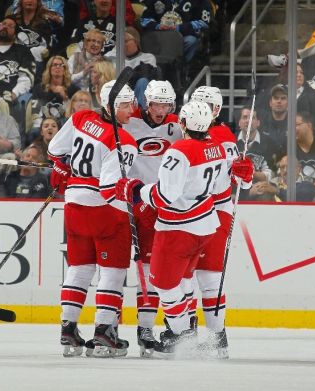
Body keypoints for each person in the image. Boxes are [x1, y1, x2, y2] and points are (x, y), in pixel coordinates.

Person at [115, 101, 231, 358]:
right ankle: (196, 333)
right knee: (184, 279)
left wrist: (135, 190)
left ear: (184, 124)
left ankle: (181, 337)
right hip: (206, 225)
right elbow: (220, 187)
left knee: (164, 284)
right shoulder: (217, 149)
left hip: (178, 228)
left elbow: (164, 197)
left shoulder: (179, 151)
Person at [48, 79, 138, 358]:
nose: (132, 110)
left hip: (74, 205)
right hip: (105, 211)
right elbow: (110, 190)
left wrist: (64, 167)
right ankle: (103, 333)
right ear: (110, 106)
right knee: (112, 272)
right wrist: (133, 192)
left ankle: (68, 330)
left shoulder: (80, 117)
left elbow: (54, 151)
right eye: (125, 105)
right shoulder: (123, 141)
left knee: (80, 268)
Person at [189, 86, 253, 358]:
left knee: (209, 275)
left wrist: (243, 173)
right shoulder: (186, 133)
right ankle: (186, 332)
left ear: (216, 110)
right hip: (188, 211)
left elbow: (241, 180)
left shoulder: (223, 135)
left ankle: (217, 337)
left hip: (215, 210)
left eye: (208, 105)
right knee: (185, 275)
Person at [122, 79, 181, 357]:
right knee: (135, 268)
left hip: (166, 205)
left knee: (160, 267)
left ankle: (161, 325)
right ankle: (133, 327)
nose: (162, 109)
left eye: (166, 104)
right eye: (158, 103)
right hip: (134, 203)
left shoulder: (177, 125)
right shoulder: (128, 121)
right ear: (146, 102)